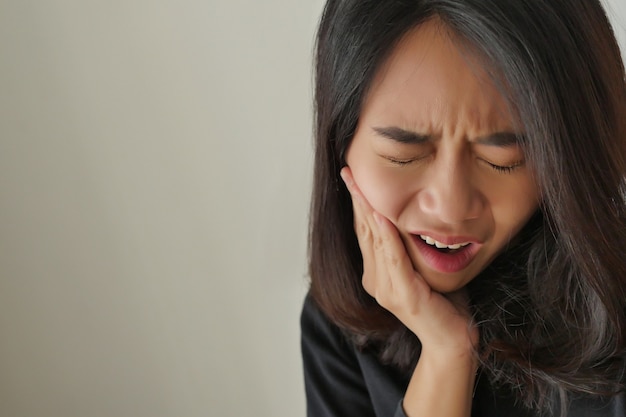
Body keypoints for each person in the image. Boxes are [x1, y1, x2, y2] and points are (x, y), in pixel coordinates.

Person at [300, 0, 626, 416]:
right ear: (340, 144)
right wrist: (446, 355)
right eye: (403, 153)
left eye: (502, 159)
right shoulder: (339, 325)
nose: (451, 208)